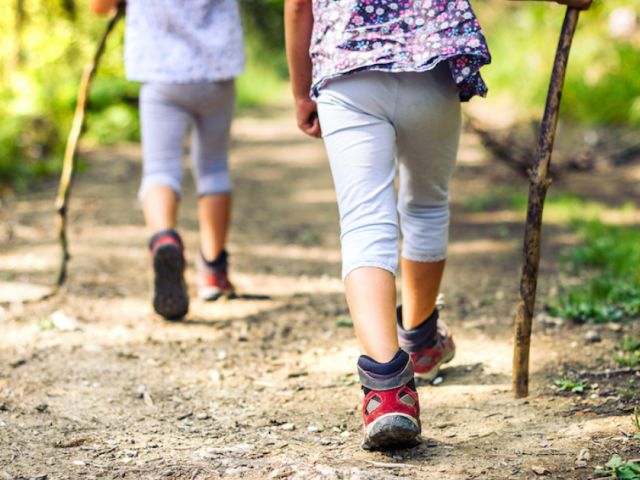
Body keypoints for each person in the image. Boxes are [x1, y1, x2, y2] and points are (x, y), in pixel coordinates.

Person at [285, 0, 592, 450]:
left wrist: (300, 91)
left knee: (364, 222)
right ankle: (421, 339)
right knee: (426, 206)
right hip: (429, 62)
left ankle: (388, 392)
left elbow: (298, 7)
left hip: (346, 69)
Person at [90, 0, 244, 319]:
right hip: (217, 70)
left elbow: (99, 6)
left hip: (161, 71)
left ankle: (163, 239)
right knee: (214, 168)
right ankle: (213, 272)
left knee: (160, 170)